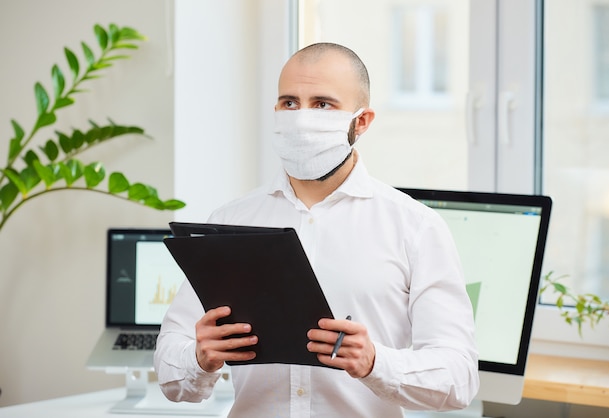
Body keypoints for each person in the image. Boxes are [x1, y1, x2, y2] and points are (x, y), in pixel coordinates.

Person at [155, 42, 479, 417]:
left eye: (323, 104)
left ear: (362, 121)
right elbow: (168, 368)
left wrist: (376, 363)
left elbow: (459, 379)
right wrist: (198, 357)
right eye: (290, 103)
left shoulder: (415, 227)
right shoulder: (228, 223)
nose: (302, 117)